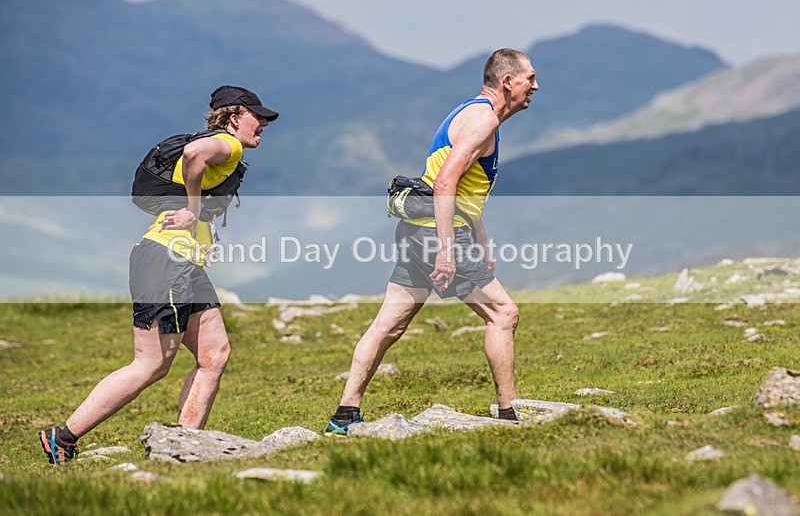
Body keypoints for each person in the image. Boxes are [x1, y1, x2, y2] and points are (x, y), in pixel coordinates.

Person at [39, 86, 278, 465]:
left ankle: (185, 448)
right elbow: (193, 154)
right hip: (166, 264)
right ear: (234, 118)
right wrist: (195, 210)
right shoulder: (225, 144)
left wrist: (202, 232)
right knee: (151, 364)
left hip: (182, 263)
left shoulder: (221, 145)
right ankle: (63, 437)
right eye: (257, 116)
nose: (263, 123)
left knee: (214, 355)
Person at [325, 49, 539, 435]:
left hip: (420, 230)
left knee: (388, 326)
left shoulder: (472, 113)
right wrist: (446, 248)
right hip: (437, 234)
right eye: (530, 78)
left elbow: (463, 190)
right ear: (508, 82)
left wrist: (482, 243)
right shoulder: (482, 120)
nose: (535, 86)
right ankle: (509, 416)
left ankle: (344, 415)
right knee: (503, 313)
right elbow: (444, 184)